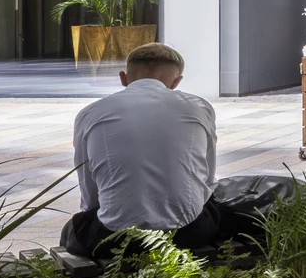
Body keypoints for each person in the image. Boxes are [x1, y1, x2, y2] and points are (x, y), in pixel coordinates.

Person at [61, 43, 235, 259]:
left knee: (72, 230)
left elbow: (89, 190)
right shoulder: (199, 107)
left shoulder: (90, 113)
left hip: (114, 238)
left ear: (123, 78)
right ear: (176, 82)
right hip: (188, 233)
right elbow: (207, 178)